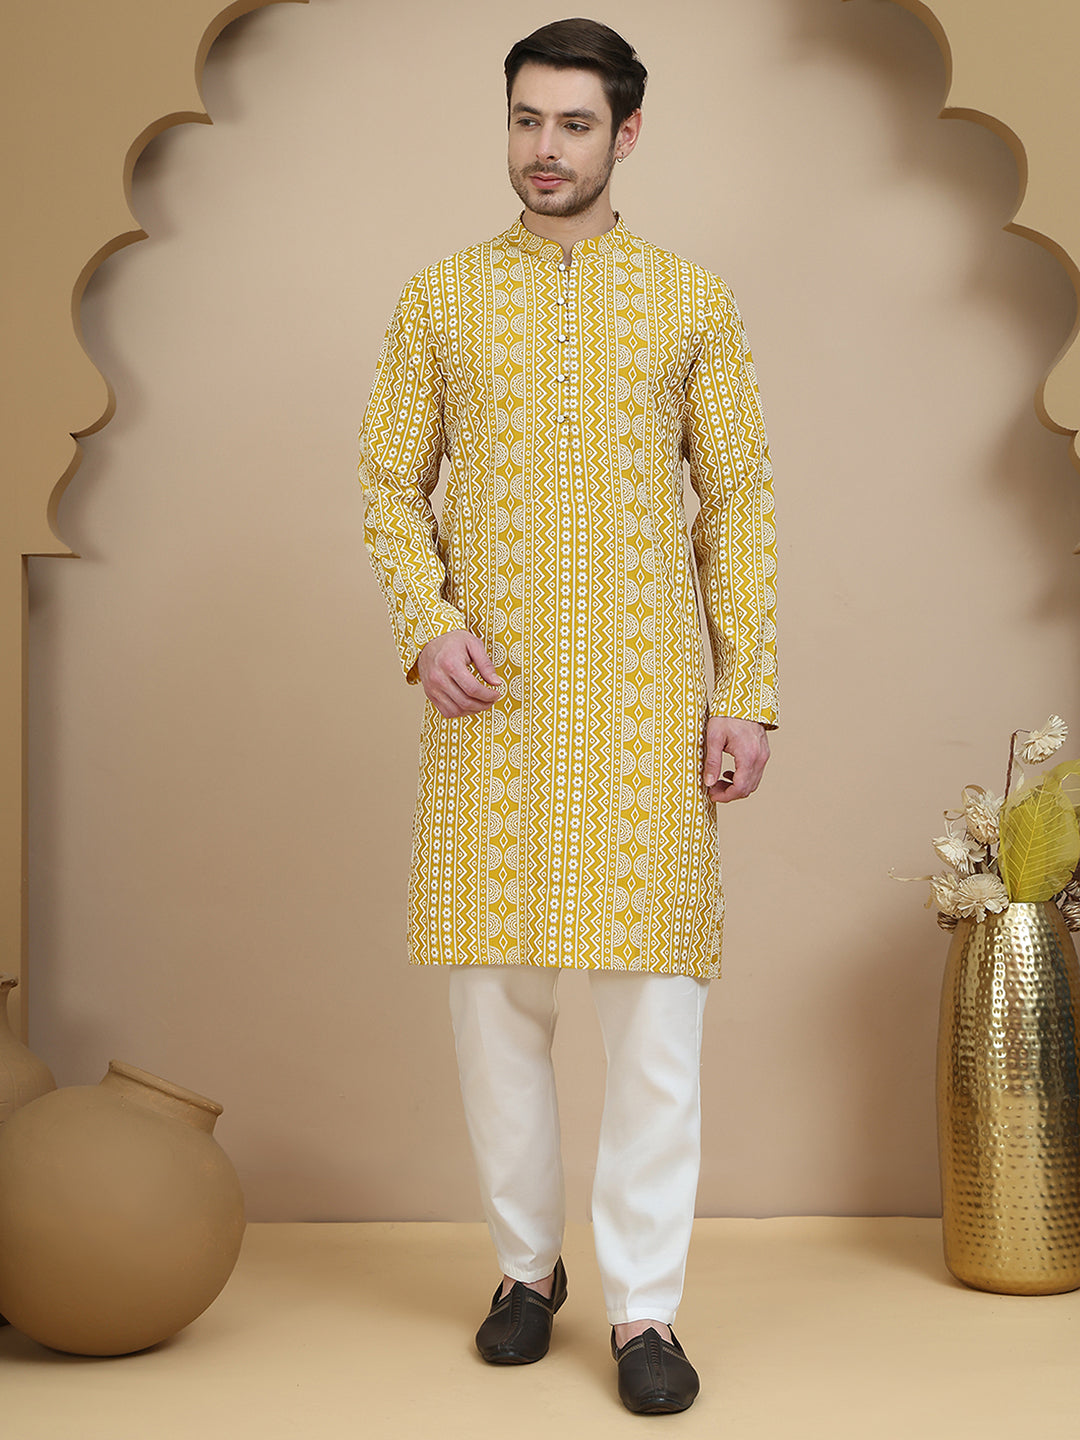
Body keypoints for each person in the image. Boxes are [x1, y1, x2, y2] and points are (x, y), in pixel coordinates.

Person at [358, 17, 777, 1416]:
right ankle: (524, 1274)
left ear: (627, 134)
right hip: (498, 710)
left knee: (656, 1028)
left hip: (647, 712)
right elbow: (387, 482)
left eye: (575, 124)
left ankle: (646, 1309)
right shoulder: (440, 299)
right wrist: (427, 628)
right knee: (497, 1015)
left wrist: (750, 692)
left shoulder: (692, 303)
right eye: (527, 120)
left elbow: (738, 506)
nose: (546, 149)